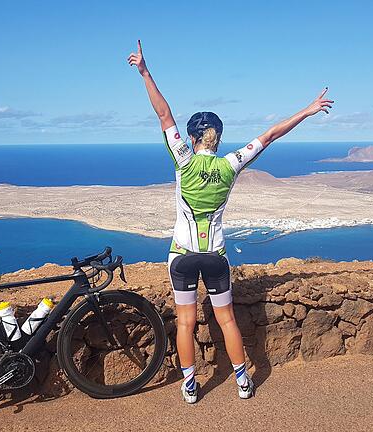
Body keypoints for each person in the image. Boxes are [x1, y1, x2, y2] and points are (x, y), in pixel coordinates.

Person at [128, 40, 333, 404]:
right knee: (227, 320)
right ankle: (242, 382)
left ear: (192, 138)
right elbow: (270, 135)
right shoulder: (231, 164)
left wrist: (145, 71)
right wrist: (308, 110)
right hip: (217, 256)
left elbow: (163, 115)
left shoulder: (183, 161)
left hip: (181, 255)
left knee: (186, 322)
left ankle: (190, 385)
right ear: (218, 139)